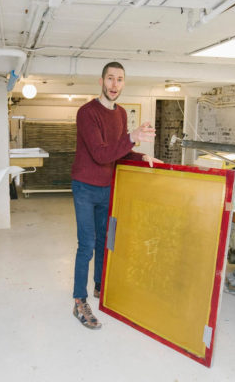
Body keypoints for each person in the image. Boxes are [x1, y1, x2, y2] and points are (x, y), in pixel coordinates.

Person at [71, 62, 163, 329]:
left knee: (105, 240)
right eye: (110, 78)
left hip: (107, 186)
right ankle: (79, 300)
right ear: (101, 81)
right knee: (87, 244)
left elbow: (117, 151)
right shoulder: (87, 113)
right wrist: (132, 138)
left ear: (124, 83)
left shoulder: (121, 113)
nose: (114, 84)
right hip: (85, 186)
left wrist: (140, 154)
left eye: (119, 79)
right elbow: (100, 154)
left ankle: (101, 286)